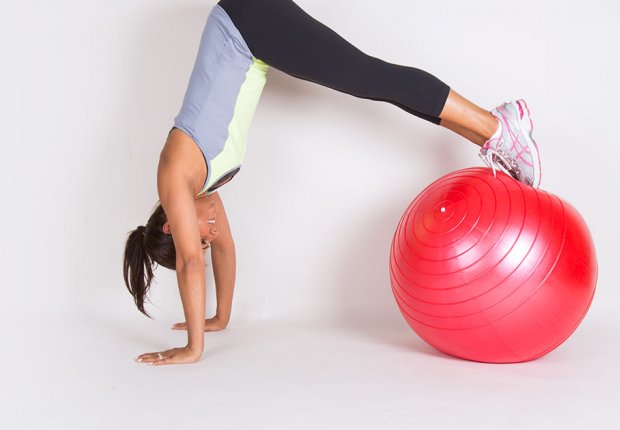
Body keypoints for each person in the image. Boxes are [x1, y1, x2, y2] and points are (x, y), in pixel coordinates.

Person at [124, 0, 542, 366]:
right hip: (253, 33)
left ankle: (497, 126)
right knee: (375, 84)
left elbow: (190, 263)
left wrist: (192, 347)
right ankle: (494, 135)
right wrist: (220, 316)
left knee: (372, 78)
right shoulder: (206, 186)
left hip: (246, 22)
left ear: (170, 226)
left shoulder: (174, 174)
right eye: (205, 239)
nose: (210, 236)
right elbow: (225, 252)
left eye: (198, 237)